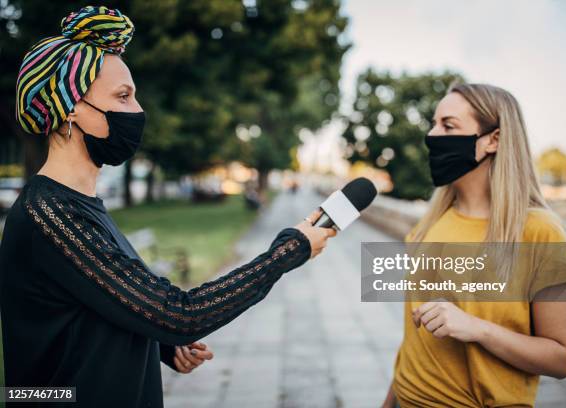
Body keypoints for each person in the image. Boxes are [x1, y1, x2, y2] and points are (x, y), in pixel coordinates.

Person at [0, 6, 335, 408]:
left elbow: (101, 305)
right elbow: (179, 313)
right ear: (70, 107)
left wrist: (158, 344)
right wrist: (289, 250)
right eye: (123, 97)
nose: (137, 111)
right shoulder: (49, 216)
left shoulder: (80, 206)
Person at [382, 83, 566, 408]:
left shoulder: (540, 232)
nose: (432, 135)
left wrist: (477, 329)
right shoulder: (430, 223)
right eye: (433, 123)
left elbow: (562, 358)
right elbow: (415, 340)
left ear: (494, 139)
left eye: (448, 125)